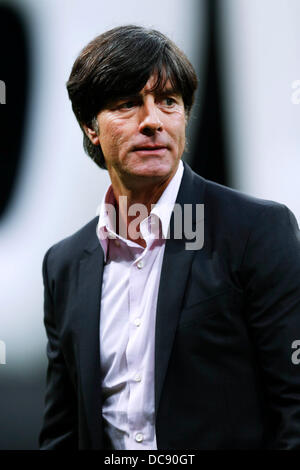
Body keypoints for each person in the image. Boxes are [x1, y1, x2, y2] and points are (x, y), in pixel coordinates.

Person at [39, 25, 300, 450]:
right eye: (128, 104)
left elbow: (294, 405)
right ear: (90, 126)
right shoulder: (65, 264)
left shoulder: (256, 231)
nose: (153, 121)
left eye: (168, 102)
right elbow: (62, 431)